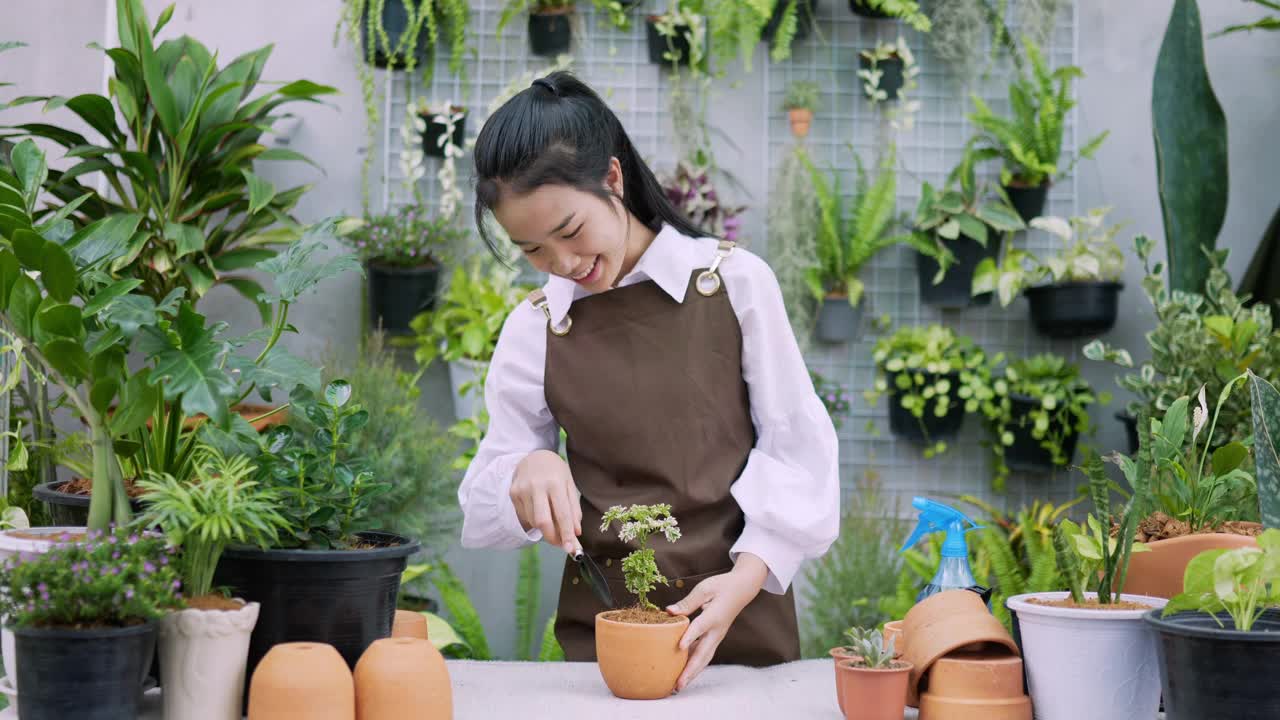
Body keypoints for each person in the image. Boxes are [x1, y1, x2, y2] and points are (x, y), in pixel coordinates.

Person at [459, 70, 839, 691]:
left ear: (613, 178)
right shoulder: (537, 328)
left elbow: (798, 449)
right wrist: (527, 467)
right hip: (603, 644)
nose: (565, 265)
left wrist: (745, 581)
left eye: (571, 232)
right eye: (532, 250)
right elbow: (481, 505)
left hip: (739, 629)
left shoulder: (732, 285)